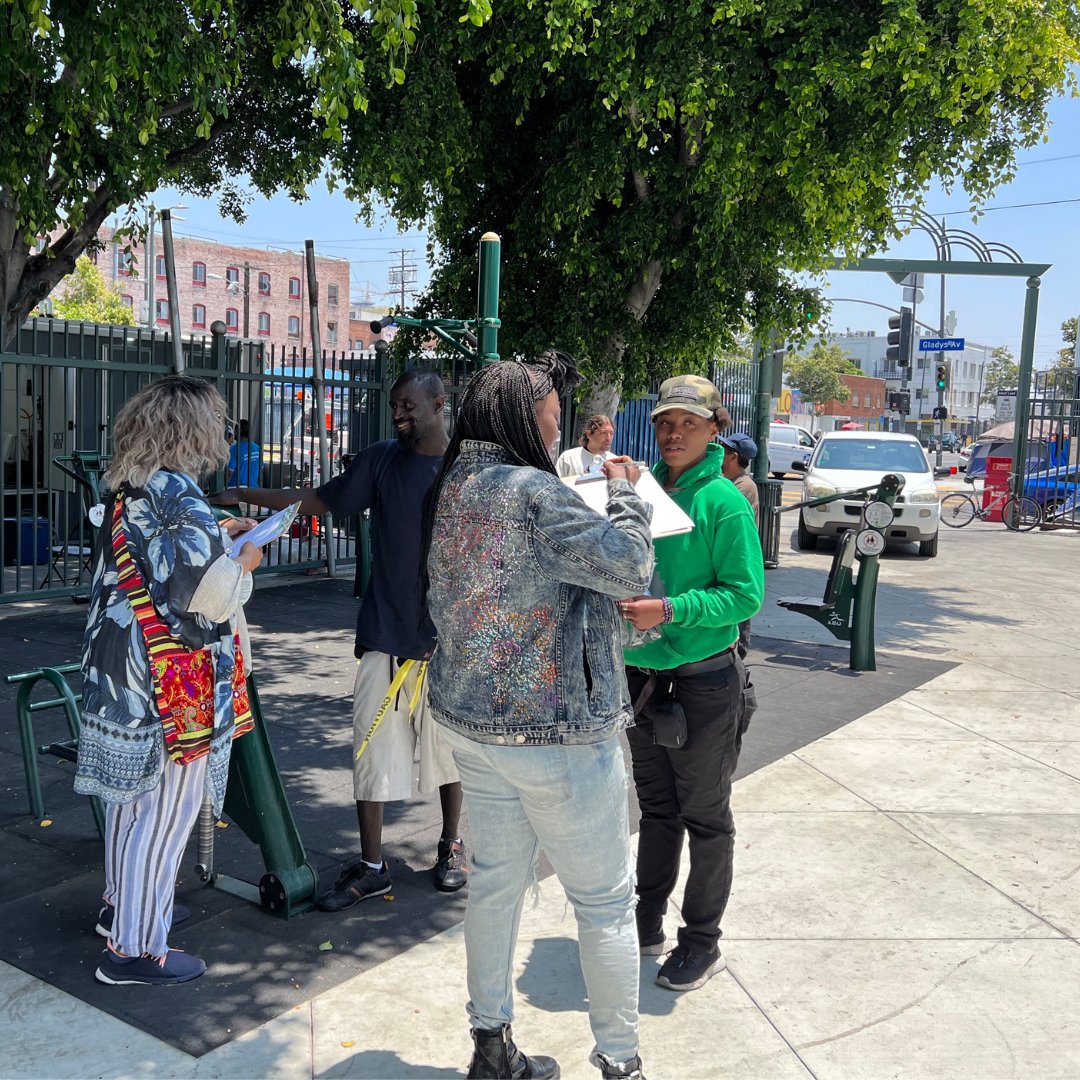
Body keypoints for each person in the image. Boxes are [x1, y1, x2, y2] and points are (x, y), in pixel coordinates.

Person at [422, 352, 652, 1080]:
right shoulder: (532, 492)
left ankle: (491, 1046)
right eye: (553, 406)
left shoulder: (456, 486)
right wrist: (626, 496)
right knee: (606, 903)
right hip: (558, 735)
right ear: (525, 412)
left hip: (473, 726)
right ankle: (620, 1062)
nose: (560, 417)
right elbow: (627, 568)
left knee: (494, 885)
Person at [211, 369, 466, 908]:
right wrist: (244, 494)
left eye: (408, 406)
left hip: (446, 644)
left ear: (439, 404)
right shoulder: (381, 460)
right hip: (386, 634)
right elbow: (318, 502)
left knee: (450, 758)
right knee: (371, 755)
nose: (398, 416)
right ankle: (373, 866)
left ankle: (451, 846)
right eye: (394, 406)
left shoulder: (465, 470)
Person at [76, 375, 263, 986]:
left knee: (130, 805)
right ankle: (134, 950)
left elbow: (155, 565)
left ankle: (121, 910)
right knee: (164, 814)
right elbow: (201, 598)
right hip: (167, 682)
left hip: (117, 668)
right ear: (195, 431)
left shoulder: (130, 486)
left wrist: (218, 533)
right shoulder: (180, 494)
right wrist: (244, 560)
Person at [619, 374, 764, 993]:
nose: (673, 433)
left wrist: (672, 610)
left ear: (714, 430)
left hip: (703, 682)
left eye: (688, 423)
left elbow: (745, 594)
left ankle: (700, 941)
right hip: (643, 675)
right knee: (656, 811)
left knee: (705, 816)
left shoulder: (724, 502)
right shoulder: (641, 489)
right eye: (664, 422)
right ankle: (645, 922)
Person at [555, 412, 616, 477]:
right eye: (604, 433)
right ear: (589, 434)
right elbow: (555, 484)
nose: (608, 438)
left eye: (611, 433)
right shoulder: (568, 458)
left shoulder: (615, 462)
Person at [718, 432, 759, 525]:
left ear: (733, 457)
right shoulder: (727, 479)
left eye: (722, 451)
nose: (719, 455)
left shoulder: (744, 486)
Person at [226, 418, 262, 487]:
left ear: (240, 430)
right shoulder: (257, 448)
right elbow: (261, 469)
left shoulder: (234, 449)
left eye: (235, 430)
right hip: (253, 488)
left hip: (235, 489)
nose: (234, 433)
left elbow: (230, 472)